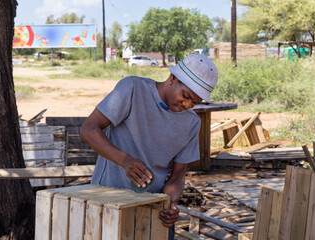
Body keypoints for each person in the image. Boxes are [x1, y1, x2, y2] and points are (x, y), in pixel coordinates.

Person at [80, 54, 218, 239]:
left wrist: (169, 203)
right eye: (185, 96)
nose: (186, 104)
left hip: (152, 212)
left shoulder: (192, 123)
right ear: (173, 78)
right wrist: (125, 160)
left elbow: (177, 175)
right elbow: (88, 130)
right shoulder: (133, 89)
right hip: (106, 204)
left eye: (194, 103)